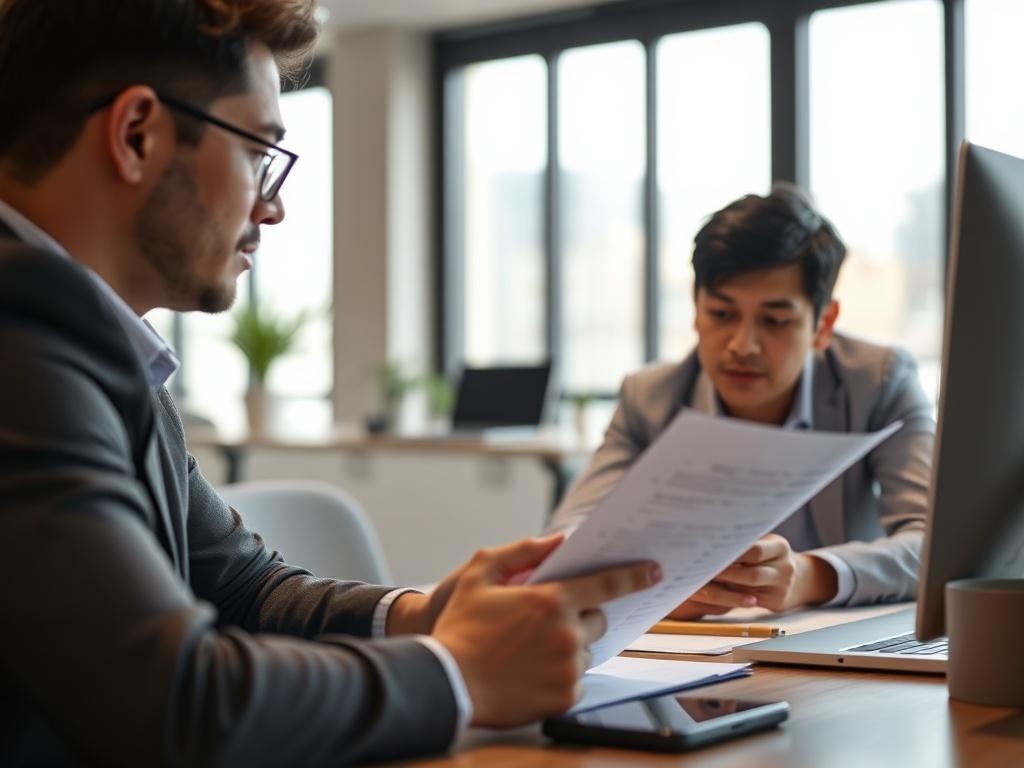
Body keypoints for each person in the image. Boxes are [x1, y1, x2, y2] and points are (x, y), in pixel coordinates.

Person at [0, 2, 662, 765]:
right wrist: (461, 675)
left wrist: (426, 616)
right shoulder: (15, 338)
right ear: (138, 134)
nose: (273, 207)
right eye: (258, 154)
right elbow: (175, 704)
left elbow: (244, 590)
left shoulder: (92, 341)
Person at [548, 184, 934, 617]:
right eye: (721, 314)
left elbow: (934, 546)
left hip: (828, 648)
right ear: (696, 310)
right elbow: (568, 541)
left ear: (823, 324)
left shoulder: (879, 383)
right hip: (689, 648)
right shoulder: (650, 398)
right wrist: (656, 585)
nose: (742, 344)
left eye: (774, 320)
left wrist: (809, 576)